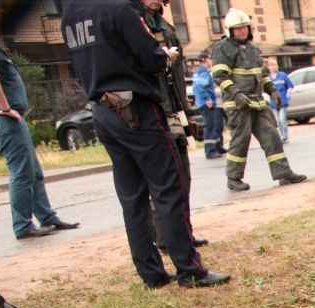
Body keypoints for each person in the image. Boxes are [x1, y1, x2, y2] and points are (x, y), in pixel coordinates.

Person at [62, 0, 228, 288]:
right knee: (168, 188)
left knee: (132, 197)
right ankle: (190, 270)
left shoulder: (71, 13)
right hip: (136, 110)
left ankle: (150, 273)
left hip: (102, 110)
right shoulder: (121, 8)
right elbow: (153, 60)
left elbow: (78, 66)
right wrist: (167, 56)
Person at [140, 0, 208, 252]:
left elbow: (176, 76)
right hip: (155, 112)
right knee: (163, 179)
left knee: (183, 176)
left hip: (175, 111)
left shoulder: (165, 27)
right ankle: (166, 238)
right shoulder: (134, 24)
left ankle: (183, 233)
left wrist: (186, 112)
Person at [211, 9, 305, 191]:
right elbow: (220, 76)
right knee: (240, 140)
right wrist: (236, 94)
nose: (242, 31)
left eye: (245, 27)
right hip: (238, 104)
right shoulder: (221, 48)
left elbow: (262, 73)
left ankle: (283, 173)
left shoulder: (252, 48)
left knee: (272, 136)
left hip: (257, 102)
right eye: (238, 28)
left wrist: (272, 91)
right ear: (230, 30)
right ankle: (233, 178)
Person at [0, 42, 80, 240]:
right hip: (6, 118)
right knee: (22, 172)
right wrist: (6, 108)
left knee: (33, 171)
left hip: (13, 116)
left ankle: (48, 218)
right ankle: (23, 226)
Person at [193, 51, 227, 158]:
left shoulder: (197, 71)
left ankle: (217, 148)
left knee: (213, 125)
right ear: (207, 60)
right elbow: (199, 86)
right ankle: (210, 151)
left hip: (202, 102)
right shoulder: (204, 71)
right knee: (210, 126)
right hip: (207, 103)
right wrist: (207, 99)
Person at [266, 57, 293, 142]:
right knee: (277, 121)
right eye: (271, 66)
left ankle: (285, 136)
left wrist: (288, 93)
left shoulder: (282, 75)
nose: (273, 67)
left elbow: (290, 86)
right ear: (268, 67)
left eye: (274, 65)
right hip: (274, 102)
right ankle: (281, 136)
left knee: (282, 119)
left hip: (283, 100)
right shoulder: (268, 78)